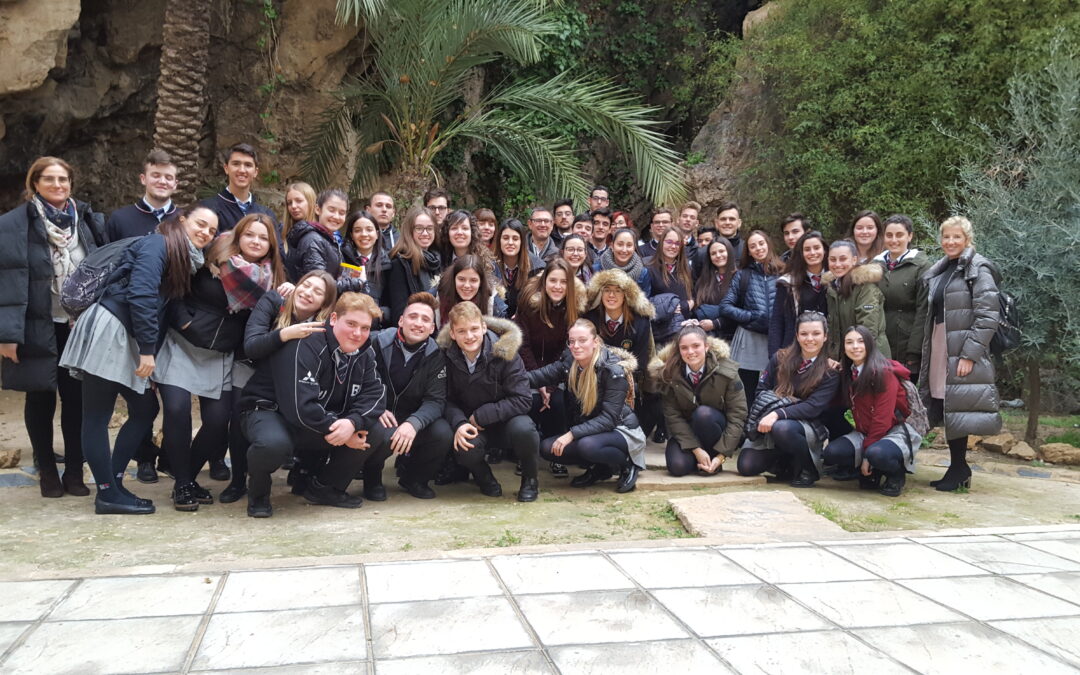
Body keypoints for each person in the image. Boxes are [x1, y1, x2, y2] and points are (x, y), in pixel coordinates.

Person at [58, 205, 218, 514]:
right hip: (111, 330)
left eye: (211, 231)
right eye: (201, 224)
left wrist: (150, 354)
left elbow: (160, 308)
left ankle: (113, 481)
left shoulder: (182, 259)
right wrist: (147, 350)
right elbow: (142, 293)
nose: (205, 233)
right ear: (182, 221)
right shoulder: (157, 244)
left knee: (145, 408)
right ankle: (107, 494)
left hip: (126, 336)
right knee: (97, 416)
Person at [155, 213, 284, 510]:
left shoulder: (271, 278)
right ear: (239, 236)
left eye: (263, 237)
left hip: (221, 353)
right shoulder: (212, 254)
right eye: (250, 234)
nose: (256, 241)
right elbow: (174, 287)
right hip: (182, 344)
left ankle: (181, 472)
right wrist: (185, 321)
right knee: (177, 411)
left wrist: (283, 297)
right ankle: (184, 485)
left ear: (271, 245)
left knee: (217, 422)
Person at [0, 156, 105, 498]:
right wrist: (7, 334)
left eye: (63, 179)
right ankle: (47, 470)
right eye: (49, 179)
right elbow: (8, 282)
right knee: (40, 398)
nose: (57, 185)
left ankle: (75, 471)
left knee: (76, 400)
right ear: (34, 184)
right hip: (37, 325)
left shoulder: (87, 220)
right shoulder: (14, 224)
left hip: (78, 326)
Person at [237, 292, 391, 517]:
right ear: (334, 319)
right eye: (351, 324)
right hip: (270, 412)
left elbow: (376, 394)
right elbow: (299, 406)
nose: (358, 333)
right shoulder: (306, 342)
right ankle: (258, 493)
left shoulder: (363, 351)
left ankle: (324, 488)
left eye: (365, 328)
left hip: (314, 419)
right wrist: (339, 430)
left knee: (374, 430)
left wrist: (352, 422)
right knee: (273, 444)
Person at [226, 270, 337, 500]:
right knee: (240, 419)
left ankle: (301, 474)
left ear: (324, 304)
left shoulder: (322, 325)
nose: (308, 293)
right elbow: (252, 346)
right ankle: (237, 481)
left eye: (317, 292)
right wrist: (286, 334)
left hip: (292, 382)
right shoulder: (275, 301)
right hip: (254, 371)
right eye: (306, 285)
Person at [917, 216, 1003, 492]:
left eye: (956, 237)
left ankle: (959, 467)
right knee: (948, 404)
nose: (950, 242)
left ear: (967, 239)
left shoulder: (978, 268)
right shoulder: (943, 269)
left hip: (961, 348)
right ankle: (957, 467)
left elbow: (988, 315)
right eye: (946, 237)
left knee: (957, 406)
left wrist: (969, 354)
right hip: (942, 344)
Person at [437, 301, 540, 501]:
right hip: (469, 424)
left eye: (474, 329)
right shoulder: (445, 356)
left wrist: (483, 415)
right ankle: (483, 475)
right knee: (465, 446)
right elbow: (443, 398)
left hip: (504, 421)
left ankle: (530, 479)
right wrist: (459, 423)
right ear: (452, 334)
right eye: (462, 331)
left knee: (526, 430)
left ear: (484, 327)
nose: (469, 336)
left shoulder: (505, 352)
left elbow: (523, 398)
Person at [529, 319, 645, 492]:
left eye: (582, 340)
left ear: (595, 342)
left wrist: (571, 434)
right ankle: (601, 469)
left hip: (621, 430)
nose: (576, 346)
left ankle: (627, 463)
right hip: (591, 430)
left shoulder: (613, 370)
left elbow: (608, 419)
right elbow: (539, 376)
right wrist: (508, 379)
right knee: (548, 449)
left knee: (587, 446)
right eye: (572, 341)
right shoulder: (570, 361)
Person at [737, 311, 839, 487]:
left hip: (806, 425)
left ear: (825, 337)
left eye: (816, 333)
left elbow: (813, 407)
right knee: (746, 466)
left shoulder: (830, 371)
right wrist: (778, 411)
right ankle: (786, 463)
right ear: (797, 336)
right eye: (804, 334)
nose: (810, 339)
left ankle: (809, 468)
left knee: (782, 428)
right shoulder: (780, 358)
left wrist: (778, 413)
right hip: (770, 421)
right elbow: (761, 390)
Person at [824, 326, 922, 497]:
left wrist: (867, 457)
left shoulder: (884, 373)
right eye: (849, 342)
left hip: (895, 429)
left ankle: (895, 474)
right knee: (832, 453)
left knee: (876, 453)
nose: (855, 346)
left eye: (861, 341)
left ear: (870, 344)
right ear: (844, 348)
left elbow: (882, 419)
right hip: (866, 430)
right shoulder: (849, 373)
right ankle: (873, 471)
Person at [371, 292, 451, 499]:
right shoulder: (377, 343)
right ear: (401, 320)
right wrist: (377, 408)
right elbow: (363, 384)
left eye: (425, 319)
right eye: (413, 316)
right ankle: (372, 477)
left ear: (432, 328)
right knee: (382, 431)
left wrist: (413, 423)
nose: (418, 323)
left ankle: (414, 478)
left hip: (411, 416)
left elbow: (435, 400)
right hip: (380, 413)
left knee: (442, 433)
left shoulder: (436, 355)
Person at [515, 259, 586, 474]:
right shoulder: (528, 303)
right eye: (553, 280)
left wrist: (550, 384)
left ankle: (558, 455)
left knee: (557, 402)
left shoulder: (573, 309)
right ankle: (526, 455)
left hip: (558, 369)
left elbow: (567, 350)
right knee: (532, 399)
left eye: (563, 282)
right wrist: (539, 381)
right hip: (529, 365)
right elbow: (523, 344)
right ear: (544, 282)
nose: (558, 286)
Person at [651, 325, 747, 476]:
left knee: (704, 414)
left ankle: (712, 460)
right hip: (687, 432)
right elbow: (673, 417)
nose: (690, 352)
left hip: (714, 429)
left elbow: (738, 416)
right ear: (679, 350)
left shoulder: (727, 372)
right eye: (684, 348)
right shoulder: (669, 374)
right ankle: (701, 460)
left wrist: (720, 457)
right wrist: (696, 451)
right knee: (677, 467)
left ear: (706, 346)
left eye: (696, 346)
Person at [718, 230, 782, 403]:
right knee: (747, 390)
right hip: (750, 338)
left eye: (761, 243)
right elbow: (725, 306)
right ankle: (747, 426)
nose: (758, 248)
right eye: (753, 246)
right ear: (749, 251)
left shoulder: (783, 273)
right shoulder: (742, 275)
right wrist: (750, 316)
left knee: (776, 386)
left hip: (776, 338)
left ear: (768, 244)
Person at [584, 269, 655, 398]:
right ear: (600, 293)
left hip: (626, 380)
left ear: (626, 295)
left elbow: (640, 362)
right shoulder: (590, 319)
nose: (611, 295)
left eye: (618, 290)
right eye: (607, 290)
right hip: (593, 380)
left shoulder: (640, 322)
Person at [876, 214, 931, 378]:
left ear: (910, 236)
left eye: (899, 235)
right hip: (880, 340)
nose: (894, 240)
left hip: (906, 343)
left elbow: (924, 310)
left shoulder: (921, 267)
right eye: (889, 235)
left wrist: (914, 351)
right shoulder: (875, 265)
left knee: (903, 396)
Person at [823, 239, 890, 360]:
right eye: (833, 259)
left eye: (843, 259)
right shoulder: (832, 288)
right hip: (845, 357)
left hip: (870, 358)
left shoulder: (865, 288)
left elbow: (868, 331)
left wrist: (851, 363)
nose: (837, 264)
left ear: (854, 260)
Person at [769, 230, 828, 356]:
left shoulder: (836, 280)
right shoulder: (788, 283)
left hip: (829, 352)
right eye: (807, 249)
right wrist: (774, 355)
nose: (812, 253)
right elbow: (777, 321)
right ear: (801, 254)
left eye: (817, 248)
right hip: (793, 351)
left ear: (825, 250)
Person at [200, 143, 278, 233]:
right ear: (226, 168)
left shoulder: (267, 215)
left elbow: (276, 246)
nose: (241, 170)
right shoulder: (208, 209)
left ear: (255, 172)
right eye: (236, 164)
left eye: (248, 165)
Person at [106, 149, 178, 241]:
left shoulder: (186, 221)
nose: (162, 182)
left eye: (168, 178)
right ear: (143, 179)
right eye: (156, 176)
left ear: (175, 184)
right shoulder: (120, 220)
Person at [386, 206, 440, 324]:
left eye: (430, 228)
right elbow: (399, 313)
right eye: (419, 228)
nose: (425, 233)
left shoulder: (436, 261)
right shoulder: (400, 264)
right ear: (409, 231)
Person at [283, 189, 348, 283]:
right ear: (318, 209)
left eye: (342, 213)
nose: (336, 216)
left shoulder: (329, 239)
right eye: (331, 210)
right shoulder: (313, 239)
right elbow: (319, 283)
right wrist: (356, 283)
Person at [339, 209, 392, 321]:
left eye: (369, 230)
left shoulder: (388, 263)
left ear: (377, 234)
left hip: (376, 324)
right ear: (351, 235)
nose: (364, 234)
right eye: (357, 230)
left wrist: (380, 314)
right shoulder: (340, 258)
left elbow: (392, 301)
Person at [492, 219, 542, 318]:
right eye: (505, 238)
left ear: (522, 242)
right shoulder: (489, 267)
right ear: (499, 240)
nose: (510, 242)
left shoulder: (537, 268)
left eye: (515, 239)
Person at [438, 254, 507, 324]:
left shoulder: (493, 304)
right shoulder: (438, 296)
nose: (467, 285)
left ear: (481, 282)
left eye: (473, 280)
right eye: (461, 279)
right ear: (454, 279)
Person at [692, 238, 737, 342]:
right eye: (713, 253)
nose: (718, 255)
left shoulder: (740, 278)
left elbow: (742, 312)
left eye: (721, 251)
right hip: (707, 338)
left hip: (732, 338)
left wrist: (716, 323)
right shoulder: (703, 280)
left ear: (729, 251)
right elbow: (697, 307)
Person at [646, 226, 694, 306]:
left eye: (678, 243)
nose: (673, 246)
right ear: (661, 242)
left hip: (685, 316)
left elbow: (693, 294)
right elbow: (644, 301)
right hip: (659, 317)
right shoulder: (649, 268)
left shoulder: (686, 268)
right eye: (669, 242)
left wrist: (692, 302)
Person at [599, 228, 652, 294]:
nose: (624, 250)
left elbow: (645, 301)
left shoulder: (642, 273)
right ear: (612, 246)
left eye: (629, 245)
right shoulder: (598, 269)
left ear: (634, 248)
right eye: (620, 245)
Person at [282, 182, 317, 250]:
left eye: (299, 201)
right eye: (289, 203)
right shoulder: (282, 231)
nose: (293, 206)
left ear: (311, 202)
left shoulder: (322, 234)